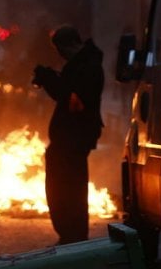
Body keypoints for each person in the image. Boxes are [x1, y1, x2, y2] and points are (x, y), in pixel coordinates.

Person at [31, 25, 104, 244]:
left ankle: (73, 235)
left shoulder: (88, 67)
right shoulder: (81, 65)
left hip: (73, 140)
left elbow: (71, 97)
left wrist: (49, 79)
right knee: (62, 188)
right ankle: (69, 233)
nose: (60, 55)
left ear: (70, 45)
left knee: (69, 191)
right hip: (68, 140)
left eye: (60, 50)